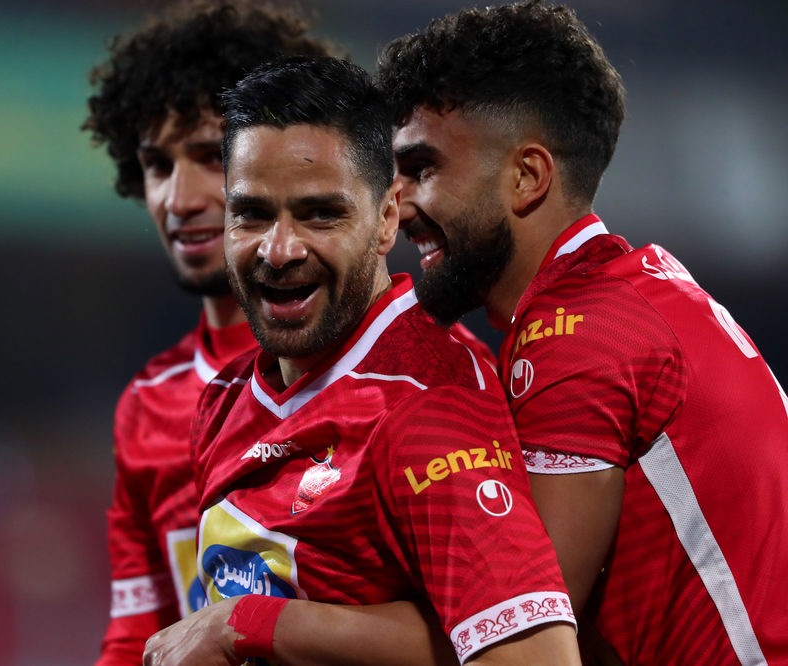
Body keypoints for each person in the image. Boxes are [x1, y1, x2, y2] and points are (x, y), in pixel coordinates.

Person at [377, 1, 788, 663]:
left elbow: (517, 639)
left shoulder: (577, 338)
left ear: (527, 177)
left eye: (422, 169)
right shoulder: (636, 289)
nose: (397, 206)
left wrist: (259, 623)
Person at [144, 55, 580, 666]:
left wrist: (251, 623)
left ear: (386, 217)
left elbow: (537, 659)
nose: (279, 250)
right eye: (252, 214)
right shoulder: (225, 399)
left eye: (321, 213)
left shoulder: (426, 407)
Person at [82, 3, 335, 662]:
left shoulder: (395, 366)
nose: (179, 198)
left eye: (209, 156)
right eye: (157, 165)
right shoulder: (148, 406)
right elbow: (136, 638)